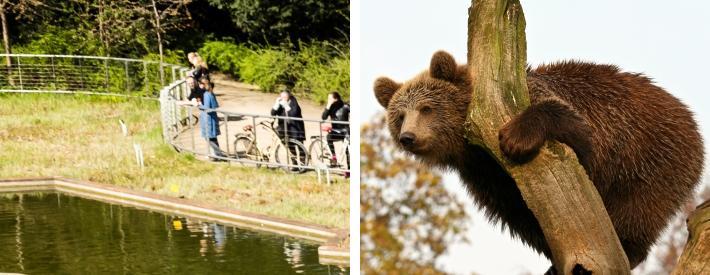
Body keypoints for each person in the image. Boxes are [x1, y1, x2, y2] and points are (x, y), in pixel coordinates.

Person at [270, 90, 306, 167]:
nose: (283, 99)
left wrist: (286, 106)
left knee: (300, 146)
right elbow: (272, 114)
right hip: (285, 128)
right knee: (290, 147)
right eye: (281, 97)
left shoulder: (293, 103)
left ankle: (303, 165)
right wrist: (276, 106)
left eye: (285, 97)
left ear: (289, 97)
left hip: (296, 128)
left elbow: (293, 113)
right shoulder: (280, 103)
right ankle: (295, 164)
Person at [198, 77, 226, 161]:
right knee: (213, 137)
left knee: (209, 138)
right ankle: (216, 154)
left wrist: (198, 105)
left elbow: (206, 107)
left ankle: (218, 154)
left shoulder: (206, 94)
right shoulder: (211, 93)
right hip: (212, 118)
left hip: (208, 118)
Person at [321, 91, 350, 169]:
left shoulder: (345, 106)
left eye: (330, 98)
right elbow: (323, 117)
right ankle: (334, 157)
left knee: (348, 151)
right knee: (328, 138)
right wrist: (328, 106)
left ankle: (350, 170)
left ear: (336, 98)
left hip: (345, 132)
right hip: (335, 131)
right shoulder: (330, 107)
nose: (328, 100)